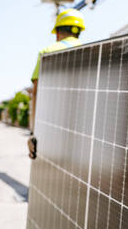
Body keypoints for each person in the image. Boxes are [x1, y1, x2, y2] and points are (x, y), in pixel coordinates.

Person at [28, 8, 85, 159]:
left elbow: (36, 94)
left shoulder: (48, 51)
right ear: (79, 32)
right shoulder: (92, 51)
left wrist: (33, 133)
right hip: (81, 134)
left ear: (57, 33)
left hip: (50, 131)